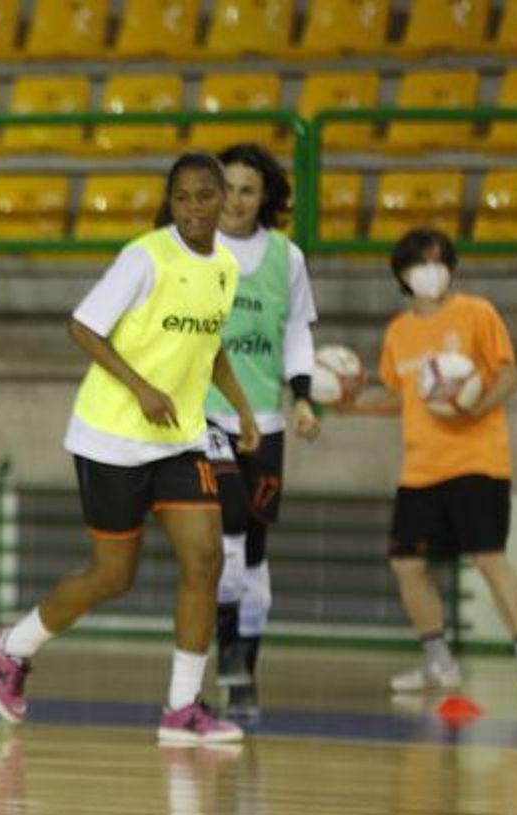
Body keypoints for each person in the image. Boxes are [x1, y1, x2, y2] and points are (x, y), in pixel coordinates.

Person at [0, 153, 261, 745]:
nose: (193, 208)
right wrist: (141, 389)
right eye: (181, 197)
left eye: (204, 196)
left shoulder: (226, 268)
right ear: (170, 202)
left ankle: (182, 709)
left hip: (180, 438)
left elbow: (210, 348)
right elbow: (83, 326)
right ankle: (13, 645)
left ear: (224, 201)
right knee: (112, 576)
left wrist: (241, 408)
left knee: (205, 558)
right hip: (111, 438)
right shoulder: (145, 257)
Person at [337, 227, 517, 700]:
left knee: (489, 557)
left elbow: (509, 375)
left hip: (477, 461)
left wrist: (476, 405)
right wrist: (356, 407)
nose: (430, 272)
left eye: (438, 262)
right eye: (419, 264)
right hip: (420, 469)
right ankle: (438, 664)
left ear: (451, 267)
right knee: (407, 564)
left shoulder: (477, 313)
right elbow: (403, 396)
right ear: (402, 275)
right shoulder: (398, 331)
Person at [206, 144, 322, 722]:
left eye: (247, 190)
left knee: (252, 552)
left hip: (265, 421)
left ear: (265, 197)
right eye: (225, 188)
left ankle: (243, 670)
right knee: (226, 531)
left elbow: (297, 332)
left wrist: (302, 397)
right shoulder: (193, 250)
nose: (234, 200)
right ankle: (226, 647)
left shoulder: (286, 257)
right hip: (205, 418)